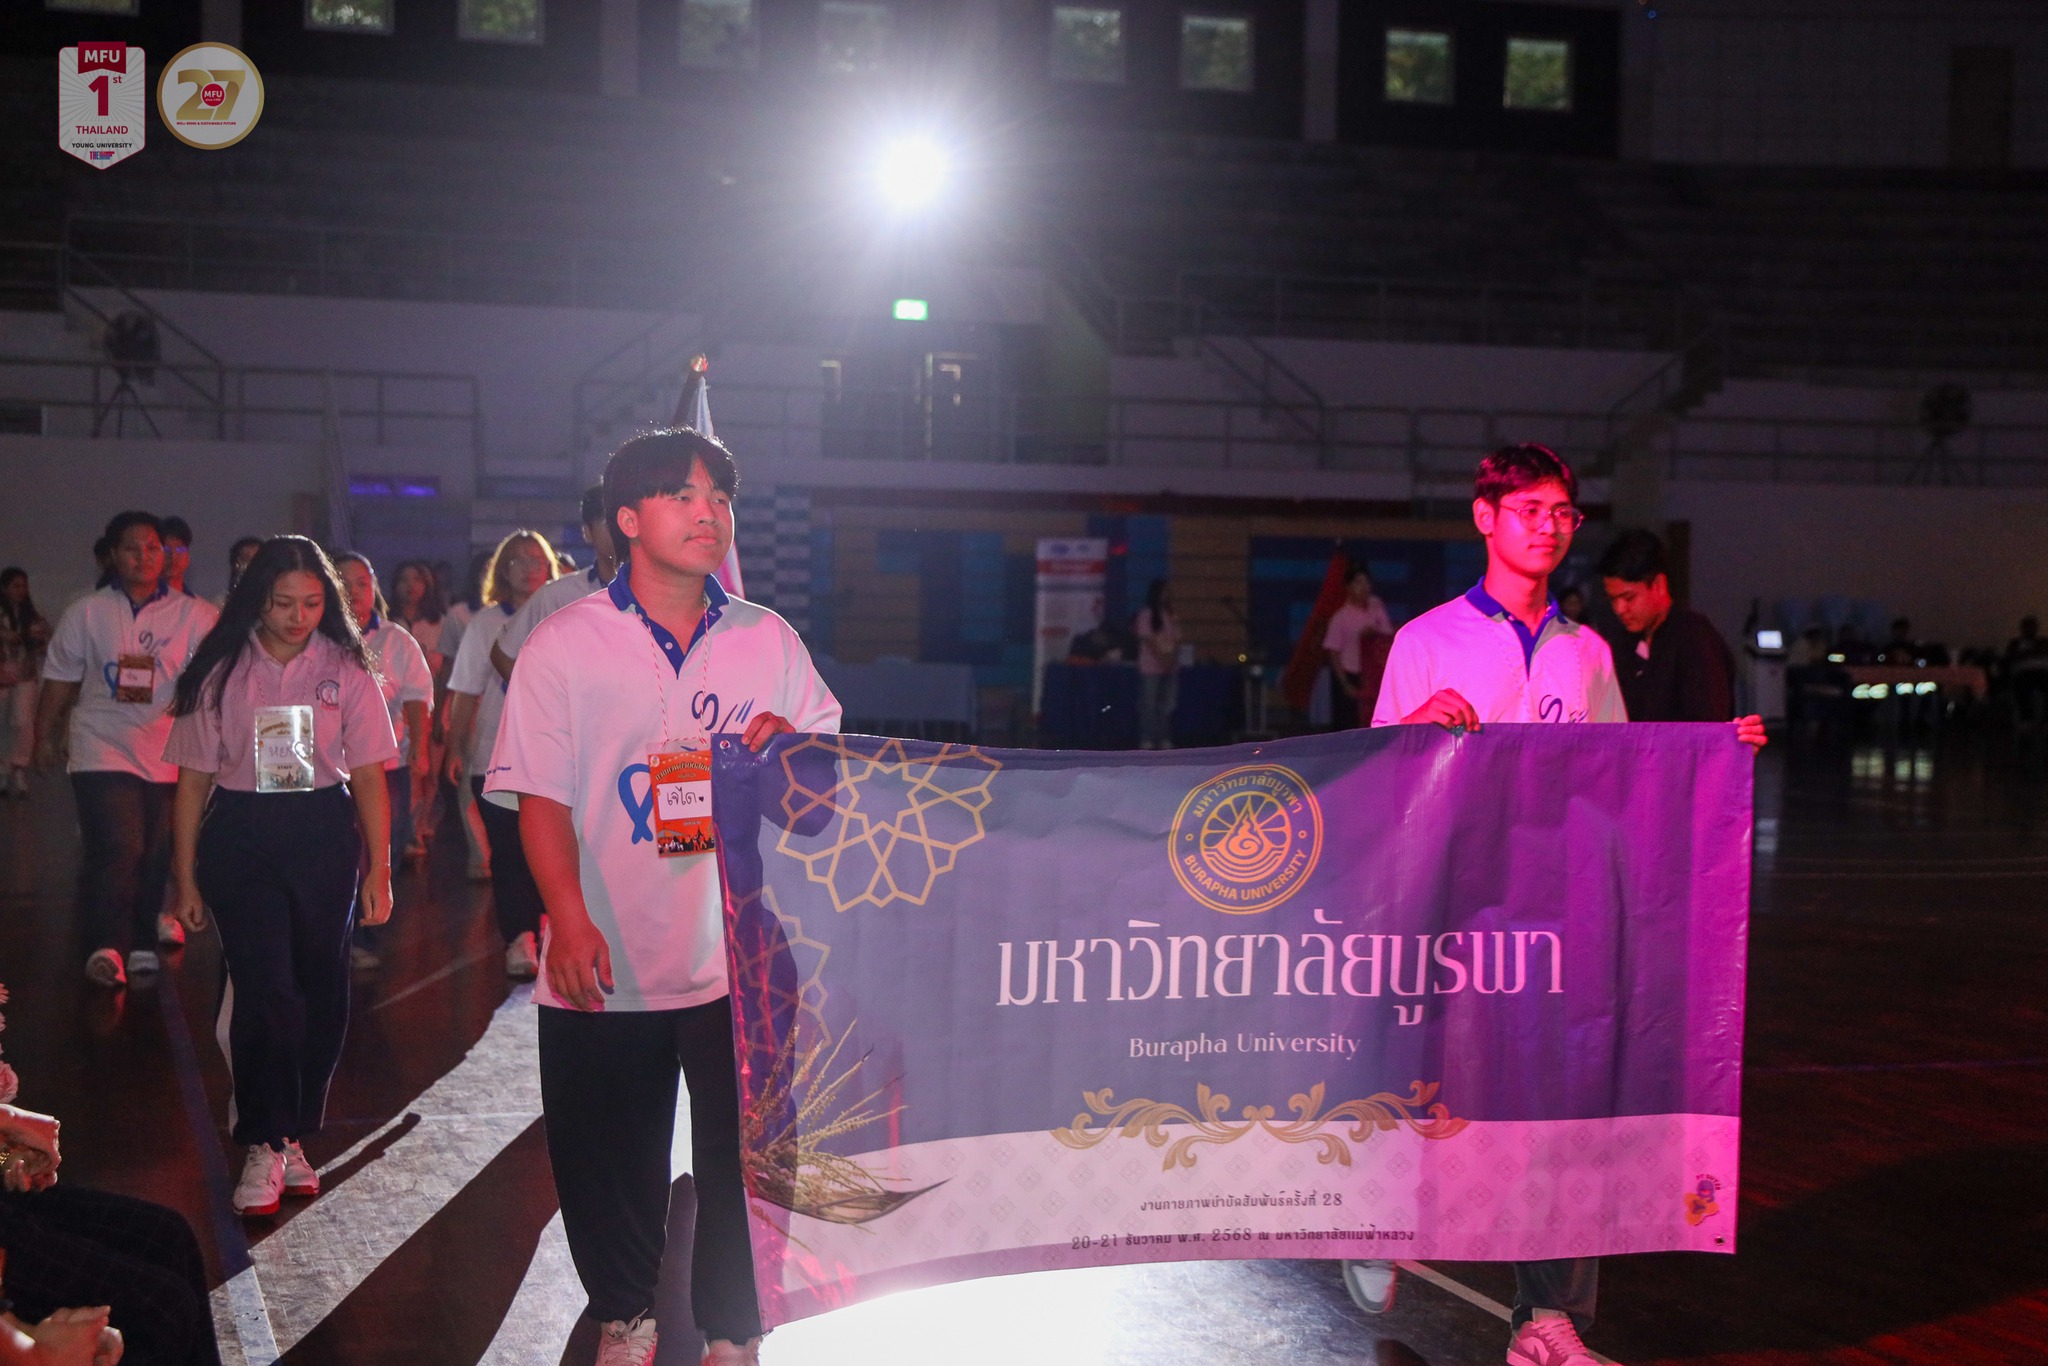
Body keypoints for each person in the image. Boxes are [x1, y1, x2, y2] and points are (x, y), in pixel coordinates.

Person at [1356, 444, 1764, 1366]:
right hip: (1456, 920)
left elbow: (1625, 778)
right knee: (1434, 1098)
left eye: (1562, 513)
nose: (1548, 527)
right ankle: (1375, 1218)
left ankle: (1546, 1318)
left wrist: (1716, 756)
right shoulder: (1425, 641)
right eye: (1529, 509)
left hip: (1557, 921)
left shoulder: (1588, 652)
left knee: (1566, 1109)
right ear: (1485, 517)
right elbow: (1375, 781)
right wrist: (1413, 730)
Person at [486, 429, 840, 1366]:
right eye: (683, 495)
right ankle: (625, 1314)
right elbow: (540, 800)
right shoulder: (565, 643)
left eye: (720, 496)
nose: (708, 512)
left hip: (740, 958)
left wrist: (791, 754)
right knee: (608, 1157)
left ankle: (735, 1328)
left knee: (745, 1160)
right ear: (627, 520)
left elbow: (822, 798)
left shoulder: (768, 640)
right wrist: (567, 919)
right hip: (606, 951)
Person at [163, 536, 396, 1218]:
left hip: (322, 831)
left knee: (321, 991)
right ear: (255, 600)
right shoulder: (220, 669)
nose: (298, 617)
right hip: (242, 835)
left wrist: (380, 867)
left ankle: (292, 1132)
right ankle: (264, 1141)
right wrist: (185, 877)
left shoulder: (347, 667)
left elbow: (371, 774)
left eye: (313, 604)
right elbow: (192, 781)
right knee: (267, 990)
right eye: (283, 603)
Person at [34, 512, 217, 985]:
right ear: (113, 555)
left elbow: (219, 682)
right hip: (102, 743)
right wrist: (43, 736)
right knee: (119, 844)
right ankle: (105, 945)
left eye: (153, 547)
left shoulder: (195, 615)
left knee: (156, 851)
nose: (144, 557)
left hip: (167, 748)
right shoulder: (87, 611)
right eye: (132, 548)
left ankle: (140, 941)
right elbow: (59, 679)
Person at [445, 532, 559, 980]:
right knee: (509, 852)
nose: (529, 568)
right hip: (496, 754)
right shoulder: (485, 623)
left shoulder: (564, 615)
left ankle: (553, 927)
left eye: (537, 560)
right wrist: (455, 748)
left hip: (555, 756)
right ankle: (519, 936)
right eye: (518, 561)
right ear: (502, 570)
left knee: (555, 849)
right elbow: (466, 691)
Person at [333, 553, 433, 969]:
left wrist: (421, 749)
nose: (355, 591)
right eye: (344, 582)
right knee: (341, 851)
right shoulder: (318, 638)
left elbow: (416, 697)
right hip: (331, 770)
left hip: (387, 767)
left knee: (380, 849)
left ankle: (365, 933)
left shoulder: (396, 640)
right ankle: (341, 935)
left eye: (363, 582)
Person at [1597, 530, 1739, 723]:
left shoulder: (1694, 637)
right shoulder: (1622, 643)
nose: (1619, 609)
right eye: (1613, 599)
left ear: (1658, 585)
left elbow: (1707, 725)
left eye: (1629, 598)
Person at [489, 485, 619, 684]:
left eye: (628, 518)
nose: (620, 529)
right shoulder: (559, 595)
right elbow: (503, 653)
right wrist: (540, 696)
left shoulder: (660, 592)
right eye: (607, 521)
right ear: (587, 532)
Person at [388, 560, 449, 857]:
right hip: (397, 713)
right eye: (404, 579)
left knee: (430, 774)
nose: (410, 586)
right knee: (407, 774)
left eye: (417, 580)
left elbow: (446, 671)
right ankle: (408, 833)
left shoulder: (439, 624)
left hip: (433, 707)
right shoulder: (388, 623)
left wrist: (442, 715)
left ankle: (422, 824)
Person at [0, 569, 52, 799]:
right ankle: (3, 770)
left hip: (24, 673)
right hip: (2, 674)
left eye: (24, 586)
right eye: (16, 586)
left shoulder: (31, 615)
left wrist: (34, 638)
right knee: (3, 723)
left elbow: (45, 642)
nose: (21, 590)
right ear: (4, 588)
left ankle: (19, 766)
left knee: (22, 722)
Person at [1322, 565, 1394, 730]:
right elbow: (1333, 653)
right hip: (1351, 675)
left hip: (1375, 675)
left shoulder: (1376, 605)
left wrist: (1373, 634)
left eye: (1366, 582)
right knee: (1349, 725)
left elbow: (1387, 635)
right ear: (1348, 587)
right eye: (1358, 582)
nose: (1364, 587)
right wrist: (1345, 684)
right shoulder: (1340, 617)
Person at [1133, 578, 1180, 750]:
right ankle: (1147, 738)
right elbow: (1148, 640)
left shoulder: (1171, 613)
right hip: (1151, 667)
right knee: (1149, 704)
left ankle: (1164, 737)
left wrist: (1171, 659)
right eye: (1164, 591)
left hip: (1170, 666)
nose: (1167, 595)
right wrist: (1163, 659)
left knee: (1167, 705)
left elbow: (1177, 639)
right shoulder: (1146, 615)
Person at [221, 537, 262, 608]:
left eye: (259, 560)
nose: (254, 566)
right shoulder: (221, 605)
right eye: (247, 560)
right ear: (236, 564)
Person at [158, 519, 194, 598]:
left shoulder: (195, 602)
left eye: (180, 549)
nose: (173, 556)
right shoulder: (144, 600)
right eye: (166, 549)